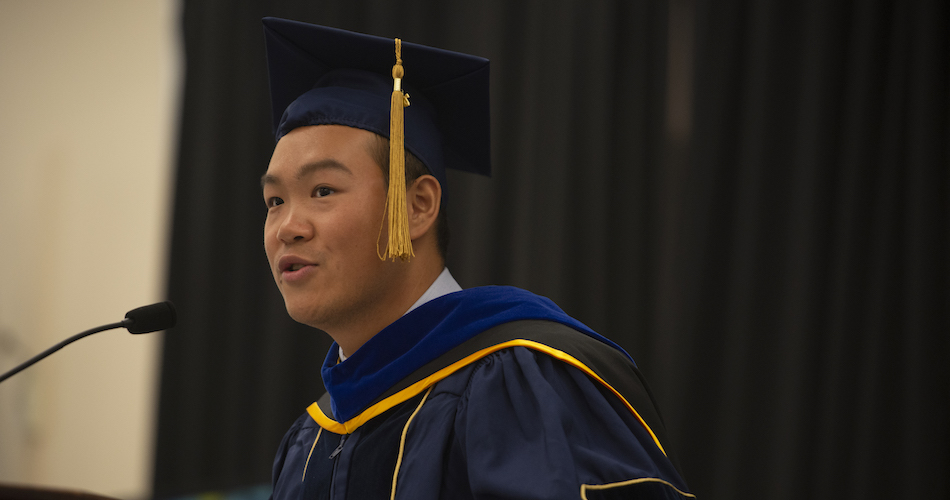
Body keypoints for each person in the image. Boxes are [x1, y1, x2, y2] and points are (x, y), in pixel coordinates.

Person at [261, 18, 693, 500]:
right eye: (274, 201)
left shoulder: (521, 381)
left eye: (323, 190)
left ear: (418, 206)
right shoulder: (309, 441)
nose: (287, 227)